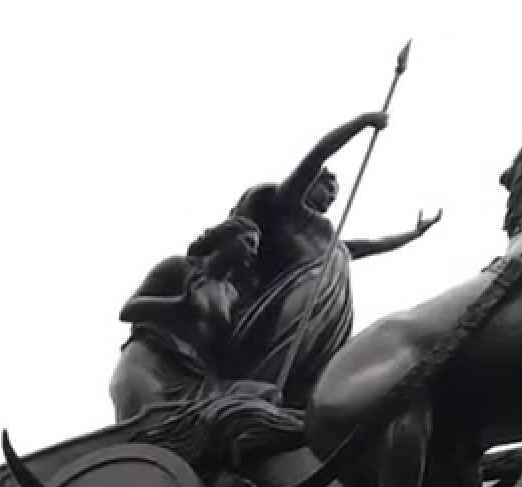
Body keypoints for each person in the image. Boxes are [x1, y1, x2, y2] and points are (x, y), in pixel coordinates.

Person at [227, 111, 442, 408]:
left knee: (318, 368)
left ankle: (294, 407)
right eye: (327, 187)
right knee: (283, 354)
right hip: (299, 299)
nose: (331, 196)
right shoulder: (287, 206)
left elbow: (373, 245)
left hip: (332, 311)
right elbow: (317, 155)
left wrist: (414, 234)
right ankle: (250, 403)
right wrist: (361, 123)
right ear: (309, 182)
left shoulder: (332, 240)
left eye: (335, 194)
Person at [108, 216, 261, 422]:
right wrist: (181, 305)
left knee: (263, 394)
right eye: (248, 242)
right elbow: (128, 311)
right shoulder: (178, 267)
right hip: (153, 365)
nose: (253, 252)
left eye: (256, 247)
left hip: (195, 377)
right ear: (226, 239)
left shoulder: (231, 294)